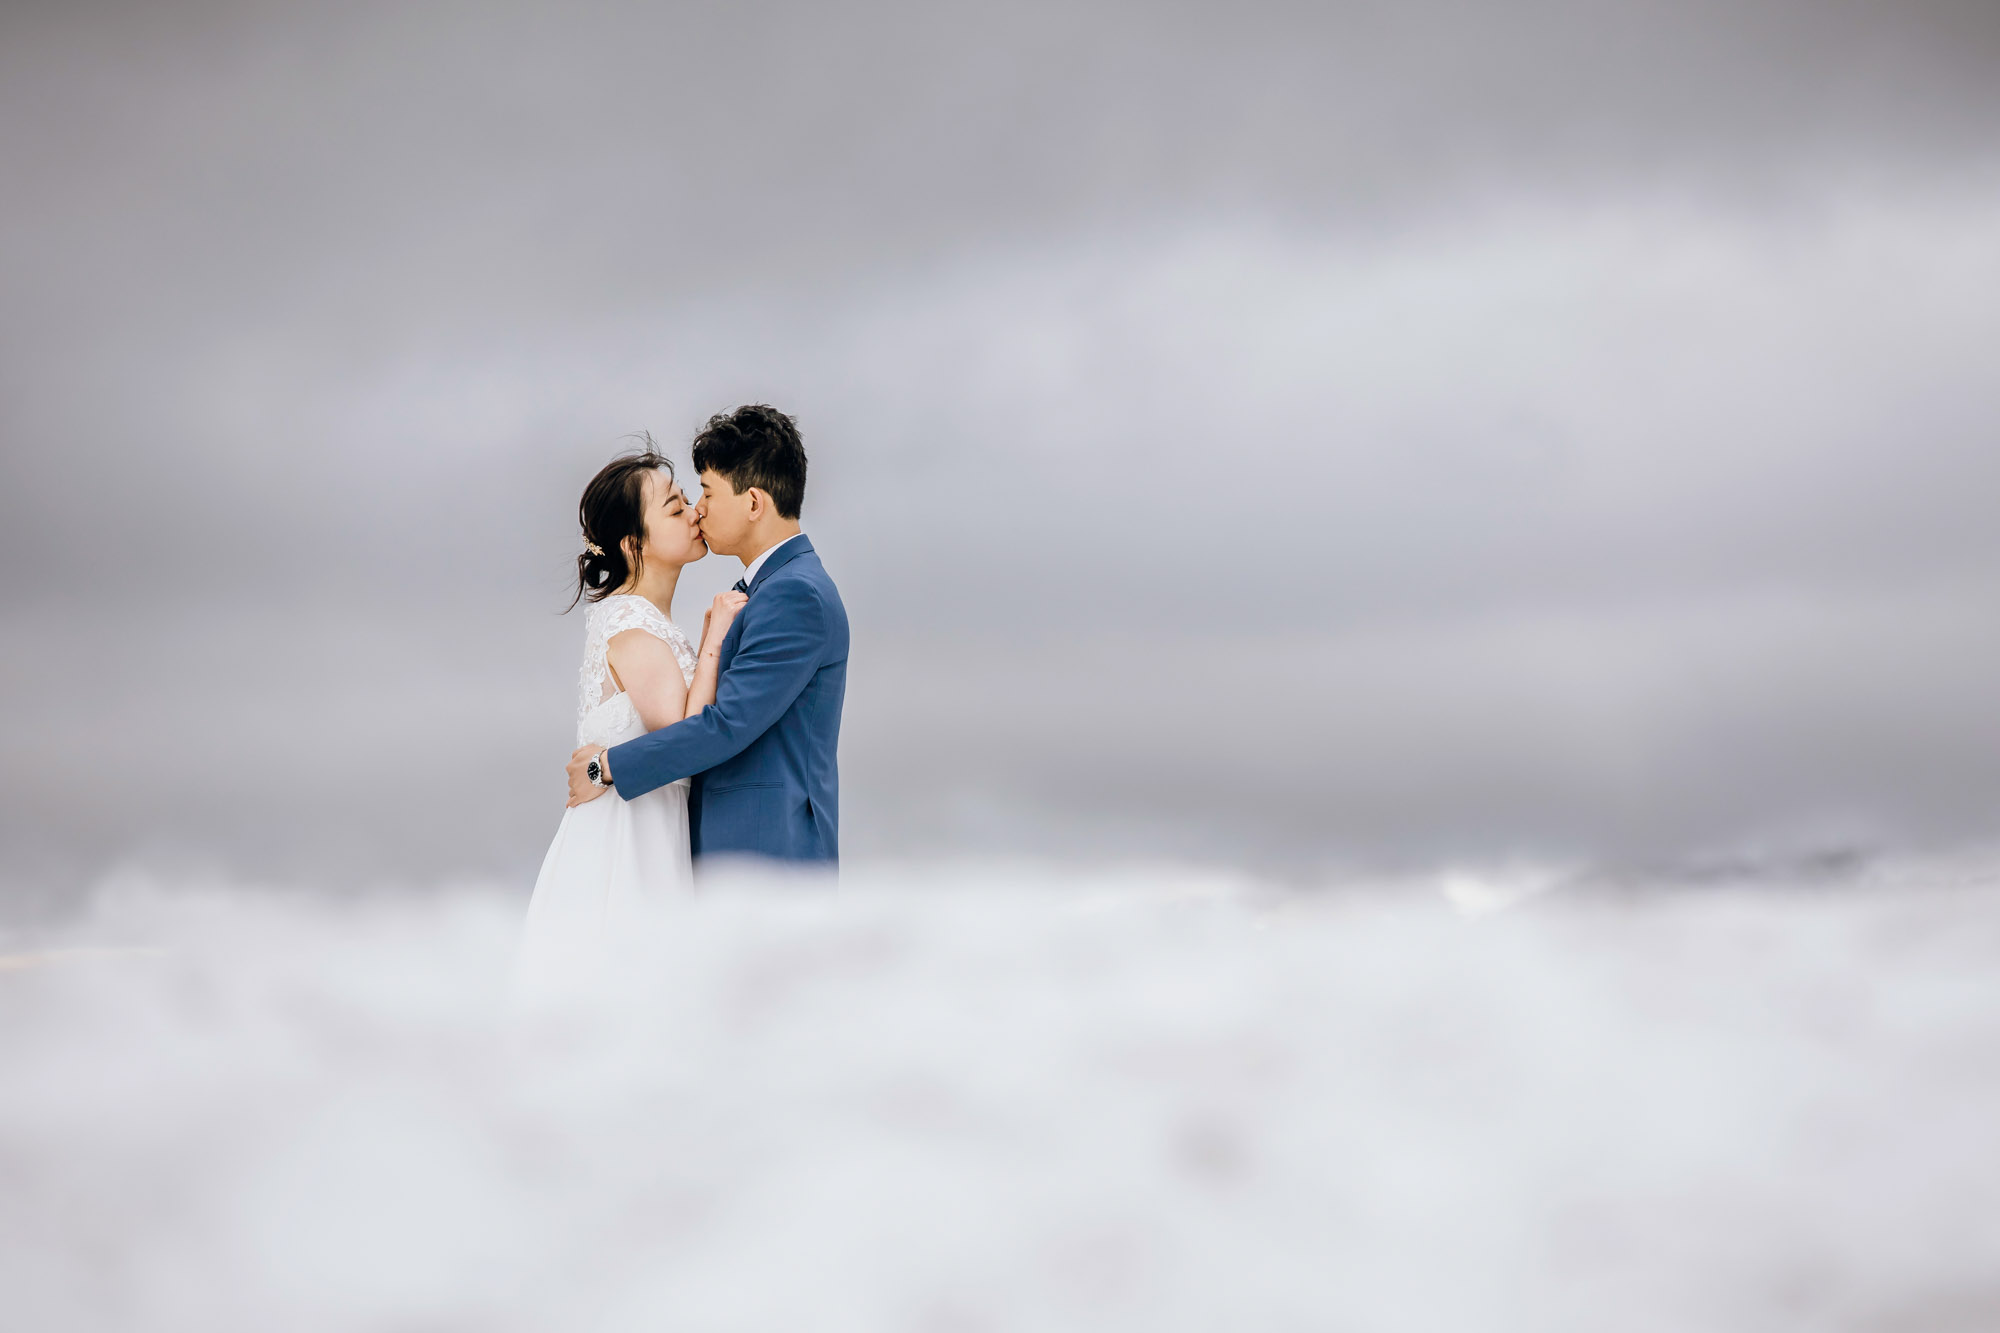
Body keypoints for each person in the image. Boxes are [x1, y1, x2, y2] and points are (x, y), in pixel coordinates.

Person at [564, 404, 848, 870]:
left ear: (754, 503)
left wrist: (606, 767)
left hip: (766, 853)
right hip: (722, 855)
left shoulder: (795, 595)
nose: (698, 509)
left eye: (707, 493)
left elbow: (726, 725)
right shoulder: (765, 591)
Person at [515, 441, 746, 998]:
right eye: (673, 507)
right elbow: (684, 737)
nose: (693, 511)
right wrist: (716, 637)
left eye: (688, 498)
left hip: (645, 825)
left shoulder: (644, 620)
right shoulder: (632, 624)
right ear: (632, 544)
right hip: (626, 842)